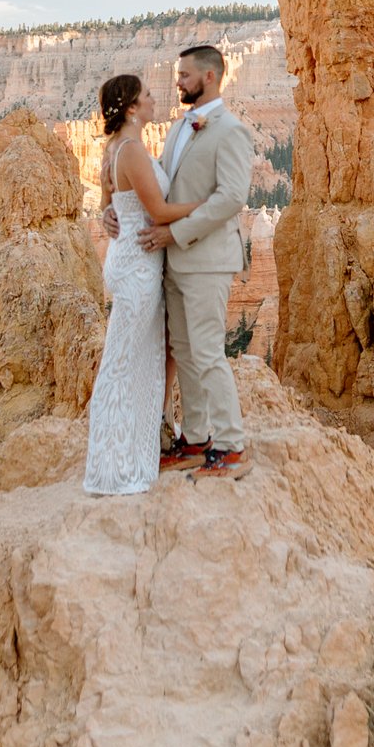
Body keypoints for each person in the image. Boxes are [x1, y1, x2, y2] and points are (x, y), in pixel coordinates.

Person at [124, 44, 254, 477]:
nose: (177, 81)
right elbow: (161, 180)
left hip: (206, 259)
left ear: (210, 77)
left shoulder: (229, 130)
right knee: (185, 350)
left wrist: (175, 232)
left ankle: (233, 447)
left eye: (184, 75)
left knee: (208, 353)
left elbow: (232, 197)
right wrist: (118, 206)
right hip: (177, 260)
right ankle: (197, 440)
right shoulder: (182, 127)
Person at [81, 72, 194, 494]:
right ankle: (116, 464)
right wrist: (211, 204)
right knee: (129, 363)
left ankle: (138, 446)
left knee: (133, 357)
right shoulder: (128, 150)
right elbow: (159, 210)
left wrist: (106, 214)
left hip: (129, 259)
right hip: (139, 267)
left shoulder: (116, 149)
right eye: (146, 94)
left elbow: (109, 206)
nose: (153, 98)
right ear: (131, 107)